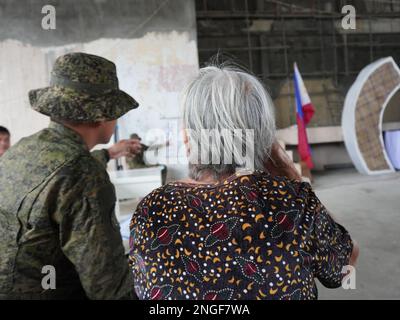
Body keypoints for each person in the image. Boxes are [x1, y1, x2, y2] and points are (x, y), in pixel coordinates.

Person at [128, 65, 359, 300]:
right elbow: (345, 265)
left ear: (188, 137)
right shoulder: (293, 200)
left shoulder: (153, 209)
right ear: (263, 138)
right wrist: (287, 171)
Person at [0, 52, 142, 300]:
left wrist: (108, 154)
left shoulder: (22, 151)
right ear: (101, 114)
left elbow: (55, 178)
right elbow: (108, 287)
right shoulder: (84, 175)